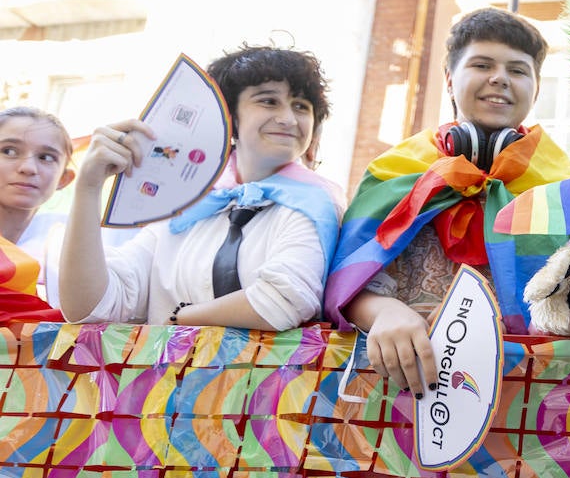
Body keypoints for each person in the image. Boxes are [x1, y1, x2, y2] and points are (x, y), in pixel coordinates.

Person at [325, 8, 570, 398]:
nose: (499, 78)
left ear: (537, 89)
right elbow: (342, 283)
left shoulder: (564, 187)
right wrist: (383, 312)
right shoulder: (397, 170)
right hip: (389, 397)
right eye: (482, 64)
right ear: (448, 79)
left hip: (528, 400)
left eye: (518, 70)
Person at [58, 46, 343, 330]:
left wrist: (176, 317)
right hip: (165, 377)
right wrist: (89, 187)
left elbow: (281, 303)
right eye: (268, 101)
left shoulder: (316, 204)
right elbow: (89, 307)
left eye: (301, 107)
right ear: (228, 116)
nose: (288, 119)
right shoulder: (186, 204)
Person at [0, 106, 75, 319]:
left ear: (64, 179)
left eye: (46, 157)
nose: (28, 168)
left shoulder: (62, 261)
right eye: (9, 151)